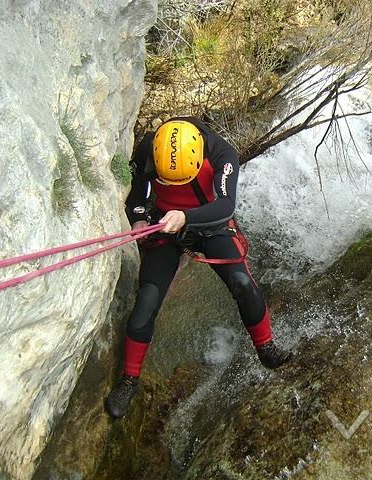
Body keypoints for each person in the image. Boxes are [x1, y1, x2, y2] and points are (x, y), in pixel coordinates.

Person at [106, 117, 293, 418]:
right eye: (167, 180)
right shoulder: (149, 149)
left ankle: (266, 347)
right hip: (165, 226)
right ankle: (129, 381)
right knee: (146, 301)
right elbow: (138, 192)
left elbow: (225, 205)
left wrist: (187, 217)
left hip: (210, 224)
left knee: (243, 284)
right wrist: (139, 216)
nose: (171, 184)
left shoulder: (223, 154)